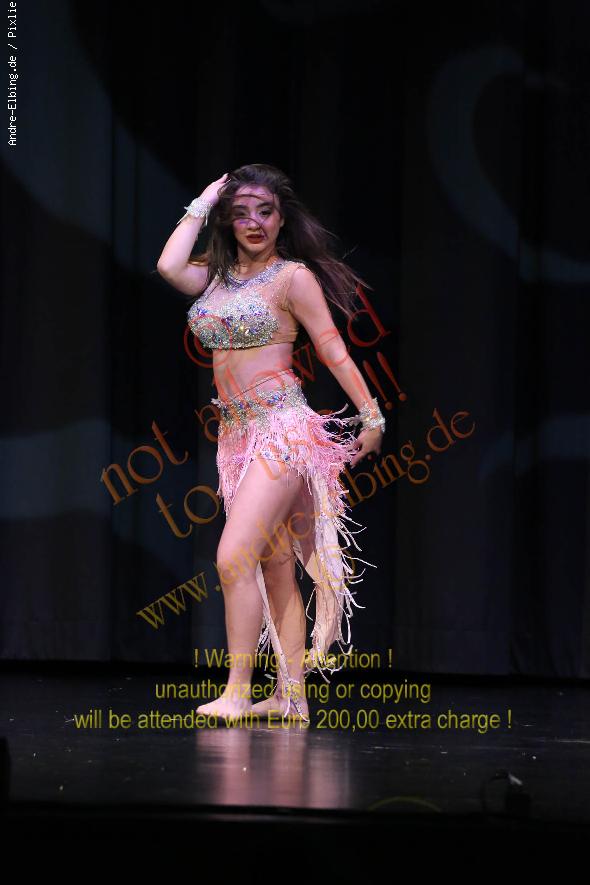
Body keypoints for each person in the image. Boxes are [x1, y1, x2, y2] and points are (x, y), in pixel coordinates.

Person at [157, 163, 385, 723]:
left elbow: (332, 349)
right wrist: (206, 198)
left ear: (282, 219)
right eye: (241, 214)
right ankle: (290, 694)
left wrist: (372, 416)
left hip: (282, 431)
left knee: (233, 556)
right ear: (226, 222)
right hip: (234, 437)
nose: (254, 222)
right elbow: (168, 266)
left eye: (265, 211)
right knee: (274, 565)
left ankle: (238, 690)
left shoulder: (292, 278)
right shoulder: (215, 275)